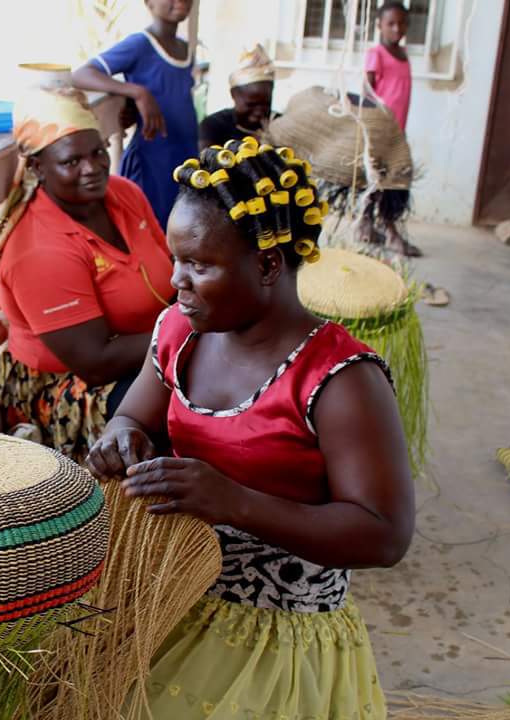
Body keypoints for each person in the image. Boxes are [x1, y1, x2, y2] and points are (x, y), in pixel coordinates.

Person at [87, 143, 414, 719]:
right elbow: (133, 414)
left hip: (278, 632)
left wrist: (234, 502)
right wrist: (121, 437)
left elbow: (384, 535)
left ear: (267, 265)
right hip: (172, 598)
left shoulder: (340, 380)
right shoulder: (178, 333)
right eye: (175, 259)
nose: (176, 282)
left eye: (199, 265)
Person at [0, 88, 174, 462]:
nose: (92, 168)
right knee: (186, 404)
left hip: (152, 349)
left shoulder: (124, 194)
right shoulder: (39, 248)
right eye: (71, 161)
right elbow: (95, 361)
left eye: (98, 152)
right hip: (69, 386)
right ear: (38, 168)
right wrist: (192, 334)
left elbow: (173, 275)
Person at [70, 0, 198, 230]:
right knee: (148, 225)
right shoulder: (141, 44)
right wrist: (137, 92)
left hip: (183, 154)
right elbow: (81, 74)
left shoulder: (184, 48)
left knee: (179, 224)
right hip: (154, 156)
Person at [198, 44, 278, 149]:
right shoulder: (213, 126)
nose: (259, 111)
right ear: (233, 95)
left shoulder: (279, 126)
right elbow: (206, 159)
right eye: (251, 104)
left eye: (266, 104)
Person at [365, 1, 412, 130]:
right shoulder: (376, 54)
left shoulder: (404, 53)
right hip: (381, 124)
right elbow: (367, 92)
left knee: (398, 149)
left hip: (399, 123)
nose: (396, 28)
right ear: (380, 25)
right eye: (390, 24)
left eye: (401, 23)